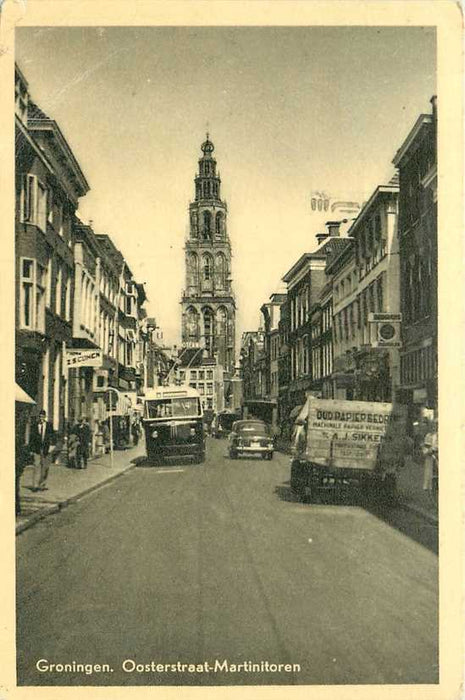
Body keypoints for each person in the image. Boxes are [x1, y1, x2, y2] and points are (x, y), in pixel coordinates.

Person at [29, 409, 54, 491]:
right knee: (36, 466)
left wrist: (52, 446)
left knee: (45, 467)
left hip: (46, 449)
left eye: (43, 416)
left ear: (45, 417)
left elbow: (53, 436)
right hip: (37, 449)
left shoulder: (49, 425)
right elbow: (31, 438)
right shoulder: (34, 425)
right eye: (40, 416)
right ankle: (35, 485)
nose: (41, 418)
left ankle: (42, 484)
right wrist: (31, 450)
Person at [422, 416, 438, 492]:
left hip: (436, 454)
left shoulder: (437, 435)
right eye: (432, 426)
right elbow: (426, 445)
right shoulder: (428, 435)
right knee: (428, 470)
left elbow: (437, 445)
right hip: (429, 455)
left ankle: (433, 486)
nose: (433, 428)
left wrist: (435, 449)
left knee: (435, 470)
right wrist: (428, 451)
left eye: (434, 426)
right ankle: (426, 486)